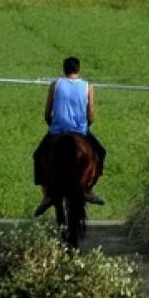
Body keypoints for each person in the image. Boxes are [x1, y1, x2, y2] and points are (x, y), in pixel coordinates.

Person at [33, 56, 106, 216]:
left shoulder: (55, 85)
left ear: (64, 69)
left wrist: (53, 125)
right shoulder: (88, 87)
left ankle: (46, 195)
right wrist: (86, 127)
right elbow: (91, 114)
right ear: (78, 70)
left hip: (57, 130)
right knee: (100, 152)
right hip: (80, 131)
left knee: (38, 156)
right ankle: (89, 189)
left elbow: (47, 113)